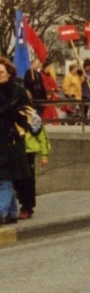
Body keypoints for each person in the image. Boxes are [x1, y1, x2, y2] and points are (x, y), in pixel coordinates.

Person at [0, 57, 31, 224]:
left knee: (5, 177)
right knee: (5, 177)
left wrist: (12, 112)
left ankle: (2, 211)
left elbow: (27, 114)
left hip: (11, 140)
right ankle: (11, 212)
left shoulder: (17, 91)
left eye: (1, 72)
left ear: (9, 73)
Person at [15, 104, 50, 219]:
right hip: (14, 151)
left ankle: (27, 207)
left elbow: (42, 137)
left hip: (28, 152)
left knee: (28, 181)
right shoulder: (10, 113)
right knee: (16, 181)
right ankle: (21, 205)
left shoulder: (33, 117)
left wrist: (44, 155)